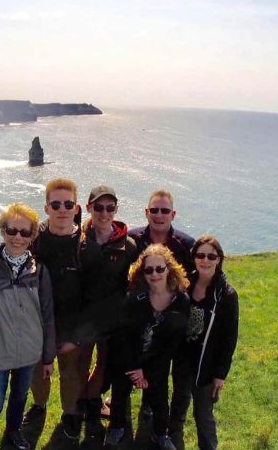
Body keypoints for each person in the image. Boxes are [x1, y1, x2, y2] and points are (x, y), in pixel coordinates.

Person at [0, 178, 87, 439]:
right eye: (55, 204)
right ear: (46, 208)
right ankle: (39, 406)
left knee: (70, 374)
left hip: (71, 326)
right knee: (37, 374)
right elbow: (9, 247)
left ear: (76, 208)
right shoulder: (35, 238)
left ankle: (70, 413)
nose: (62, 209)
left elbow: (94, 294)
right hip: (33, 324)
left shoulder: (85, 245)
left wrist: (78, 335)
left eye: (68, 204)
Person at [0, 203, 57, 450]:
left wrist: (48, 357)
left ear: (33, 236)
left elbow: (47, 316)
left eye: (25, 233)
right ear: (3, 231)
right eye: (12, 230)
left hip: (28, 352)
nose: (18, 237)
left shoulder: (39, 271)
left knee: (19, 397)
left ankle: (13, 431)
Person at [107, 244, 190, 449]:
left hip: (158, 358)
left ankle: (160, 434)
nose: (155, 274)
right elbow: (122, 337)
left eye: (160, 269)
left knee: (160, 398)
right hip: (129, 357)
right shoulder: (135, 298)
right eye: (149, 270)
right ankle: (117, 427)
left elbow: (173, 343)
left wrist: (147, 371)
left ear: (169, 269)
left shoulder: (181, 300)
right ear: (142, 273)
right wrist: (135, 369)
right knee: (120, 393)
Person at [129, 190, 195, 433]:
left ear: (173, 214)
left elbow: (196, 277)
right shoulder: (132, 239)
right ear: (146, 212)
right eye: (154, 210)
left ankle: (170, 425)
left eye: (164, 210)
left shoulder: (186, 245)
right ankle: (121, 414)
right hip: (139, 315)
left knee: (167, 368)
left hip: (174, 319)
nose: (159, 215)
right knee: (135, 359)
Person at [76, 186, 140, 434]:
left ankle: (92, 406)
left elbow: (133, 283)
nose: (104, 213)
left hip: (112, 319)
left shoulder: (129, 245)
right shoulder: (78, 240)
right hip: (82, 318)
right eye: (99, 207)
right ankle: (80, 404)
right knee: (80, 366)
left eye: (110, 207)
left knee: (103, 367)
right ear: (89, 207)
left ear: (116, 209)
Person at [173, 236, 239, 450]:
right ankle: (173, 444)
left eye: (211, 256)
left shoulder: (227, 295)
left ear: (219, 260)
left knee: (203, 415)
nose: (205, 260)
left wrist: (221, 374)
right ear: (193, 258)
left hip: (208, 367)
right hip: (184, 362)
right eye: (200, 255)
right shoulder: (184, 285)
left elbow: (230, 338)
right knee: (178, 409)